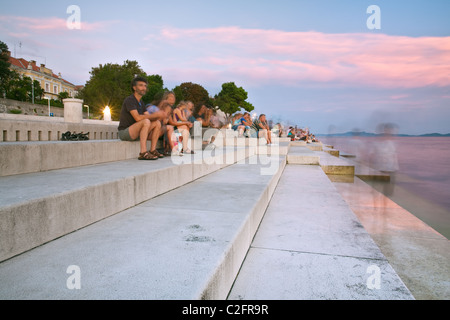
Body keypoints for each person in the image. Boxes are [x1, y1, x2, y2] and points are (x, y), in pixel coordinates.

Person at [118, 76, 166, 160]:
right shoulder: (130, 100)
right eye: (141, 85)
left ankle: (152, 150)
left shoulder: (141, 102)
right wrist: (154, 115)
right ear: (134, 87)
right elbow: (137, 118)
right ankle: (143, 153)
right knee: (146, 121)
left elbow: (149, 117)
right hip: (125, 132)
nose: (144, 88)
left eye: (145, 86)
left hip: (137, 132)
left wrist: (158, 116)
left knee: (157, 123)